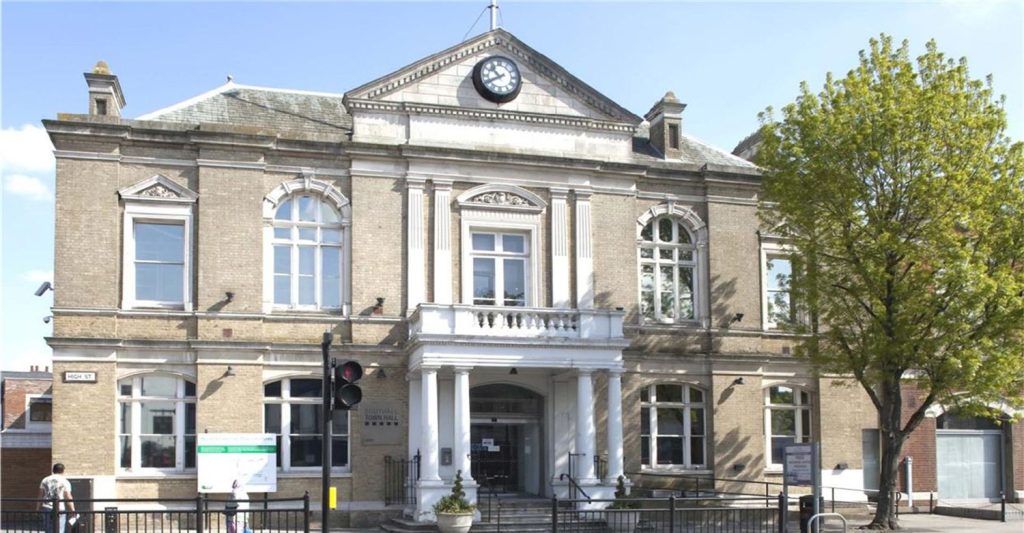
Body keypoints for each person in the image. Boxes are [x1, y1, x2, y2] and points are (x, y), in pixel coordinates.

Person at [38, 463, 76, 533]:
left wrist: (37, 508)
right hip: (60, 508)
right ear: (63, 471)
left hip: (46, 507)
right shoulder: (65, 481)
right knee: (59, 529)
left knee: (48, 529)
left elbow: (40, 495)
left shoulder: (45, 480)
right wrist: (72, 510)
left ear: (53, 470)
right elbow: (68, 496)